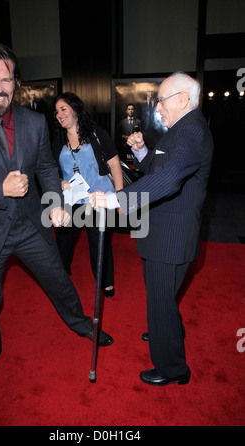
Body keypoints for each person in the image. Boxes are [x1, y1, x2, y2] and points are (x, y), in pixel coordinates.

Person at [0, 43, 113, 390]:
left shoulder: (35, 122)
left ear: (15, 83)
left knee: (60, 282)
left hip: (31, 226)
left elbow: (47, 168)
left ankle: (82, 323)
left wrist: (55, 205)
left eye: (6, 80)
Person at [89, 72, 213, 386]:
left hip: (170, 235)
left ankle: (173, 369)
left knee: (160, 296)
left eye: (162, 99)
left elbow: (169, 179)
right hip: (162, 230)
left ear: (182, 99)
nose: (157, 107)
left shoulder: (190, 131)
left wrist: (119, 199)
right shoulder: (181, 130)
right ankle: (165, 327)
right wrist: (143, 151)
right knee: (162, 296)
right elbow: (159, 169)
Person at [52, 92, 123, 297]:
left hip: (97, 198)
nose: (59, 115)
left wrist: (119, 198)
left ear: (75, 109)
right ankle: (60, 276)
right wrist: (59, 181)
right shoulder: (58, 140)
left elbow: (114, 163)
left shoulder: (96, 133)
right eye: (56, 112)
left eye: (63, 109)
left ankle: (105, 282)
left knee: (98, 242)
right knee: (63, 240)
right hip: (72, 199)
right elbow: (49, 169)